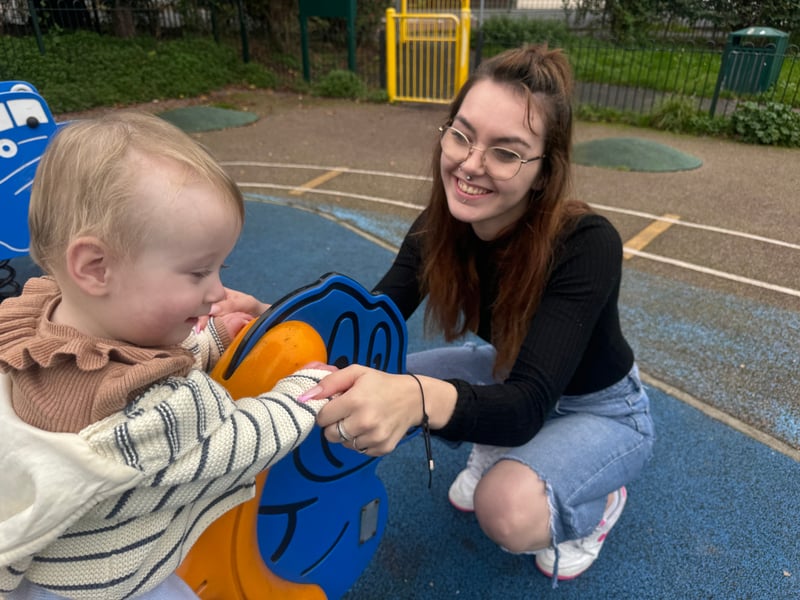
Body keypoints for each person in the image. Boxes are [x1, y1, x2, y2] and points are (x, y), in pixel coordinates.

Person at [299, 44, 656, 583]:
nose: (470, 163)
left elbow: (529, 404)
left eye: (505, 152)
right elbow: (376, 316)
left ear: (543, 172)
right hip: (510, 371)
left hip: (599, 408)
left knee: (505, 512)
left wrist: (417, 400)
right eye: (462, 134)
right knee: (383, 375)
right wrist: (277, 322)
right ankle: (508, 450)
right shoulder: (441, 225)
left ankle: (594, 507)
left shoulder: (585, 243)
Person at [0, 112, 331, 599]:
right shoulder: (148, 414)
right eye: (198, 272)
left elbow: (127, 358)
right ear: (96, 267)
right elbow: (229, 446)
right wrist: (303, 394)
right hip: (113, 585)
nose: (217, 290)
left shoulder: (41, 327)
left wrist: (208, 339)